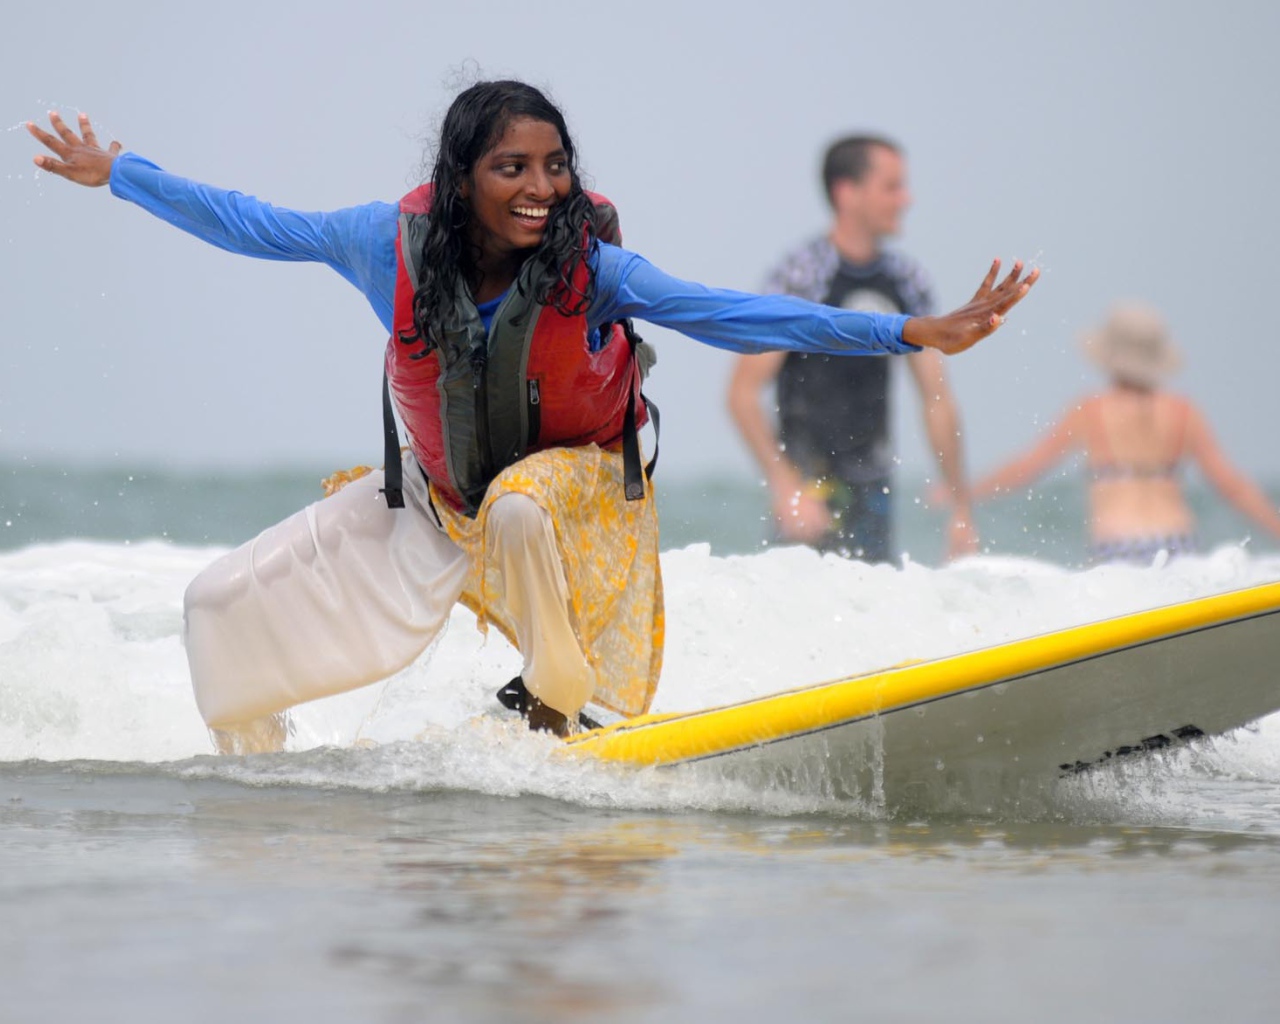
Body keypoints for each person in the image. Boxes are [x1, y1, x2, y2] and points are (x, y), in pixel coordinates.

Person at [26, 82, 1037, 750]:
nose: (541, 187)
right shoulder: (385, 245)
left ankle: (557, 689)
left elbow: (737, 315)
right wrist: (121, 174)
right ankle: (266, 777)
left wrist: (909, 335)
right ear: (461, 176)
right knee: (216, 610)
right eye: (512, 168)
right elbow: (249, 222)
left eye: (553, 166)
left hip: (577, 496)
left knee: (519, 503)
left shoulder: (594, 271)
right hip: (435, 502)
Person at [728, 134, 975, 563]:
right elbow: (742, 393)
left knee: (872, 614)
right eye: (892, 187)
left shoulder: (905, 281)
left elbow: (936, 396)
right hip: (809, 489)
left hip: (874, 485)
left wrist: (960, 508)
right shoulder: (804, 274)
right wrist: (785, 487)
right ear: (847, 192)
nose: (906, 199)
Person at [971, 302, 1280, 564]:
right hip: (1178, 543)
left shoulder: (1091, 411)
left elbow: (1028, 466)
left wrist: (963, 494)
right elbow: (1232, 486)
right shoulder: (1184, 412)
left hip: (1117, 545)